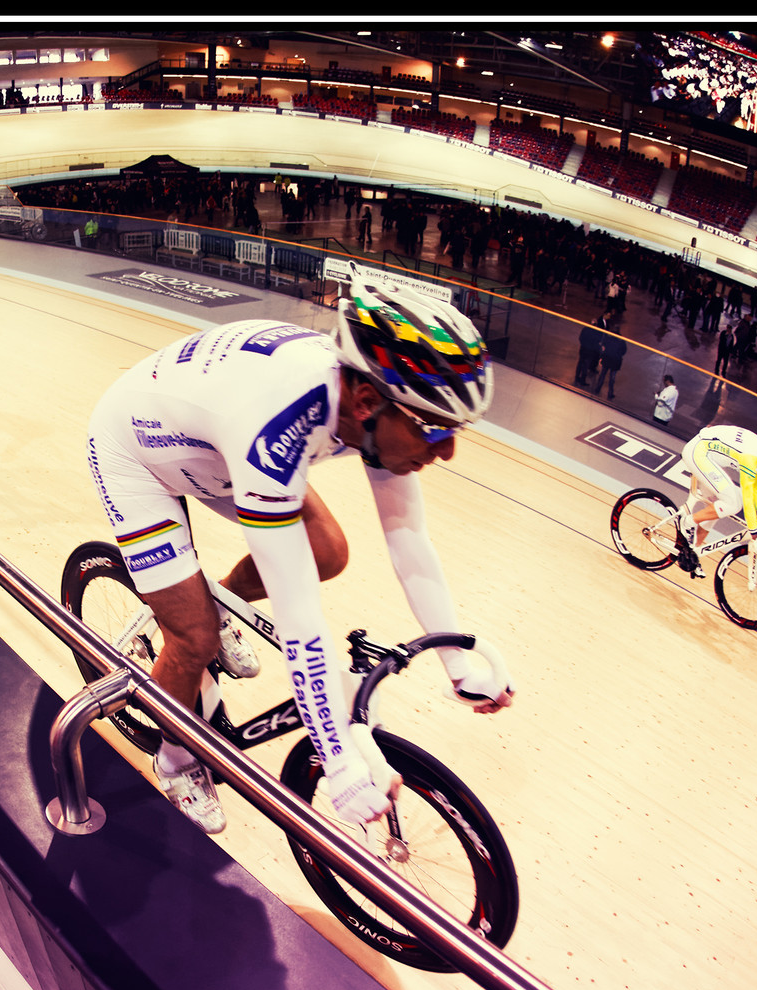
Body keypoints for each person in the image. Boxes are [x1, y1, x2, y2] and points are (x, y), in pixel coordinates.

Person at [82, 276, 514, 833]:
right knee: (192, 637)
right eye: (435, 428)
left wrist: (457, 664)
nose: (448, 450)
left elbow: (408, 539)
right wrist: (337, 763)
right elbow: (299, 616)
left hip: (215, 446)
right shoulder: (280, 424)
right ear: (365, 402)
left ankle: (224, 607)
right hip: (136, 454)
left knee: (327, 551)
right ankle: (174, 756)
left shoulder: (370, 402)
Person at [674, 425, 757, 578]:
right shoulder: (752, 458)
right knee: (732, 502)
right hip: (698, 453)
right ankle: (687, 522)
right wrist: (755, 535)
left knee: (716, 508)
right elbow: (748, 497)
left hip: (707, 455)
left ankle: (692, 553)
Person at [597, 323, 627, 397]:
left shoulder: (608, 337)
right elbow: (623, 351)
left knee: (602, 374)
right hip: (615, 361)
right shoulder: (621, 341)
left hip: (607, 358)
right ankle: (610, 393)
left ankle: (598, 388)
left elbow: (603, 346)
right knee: (612, 378)